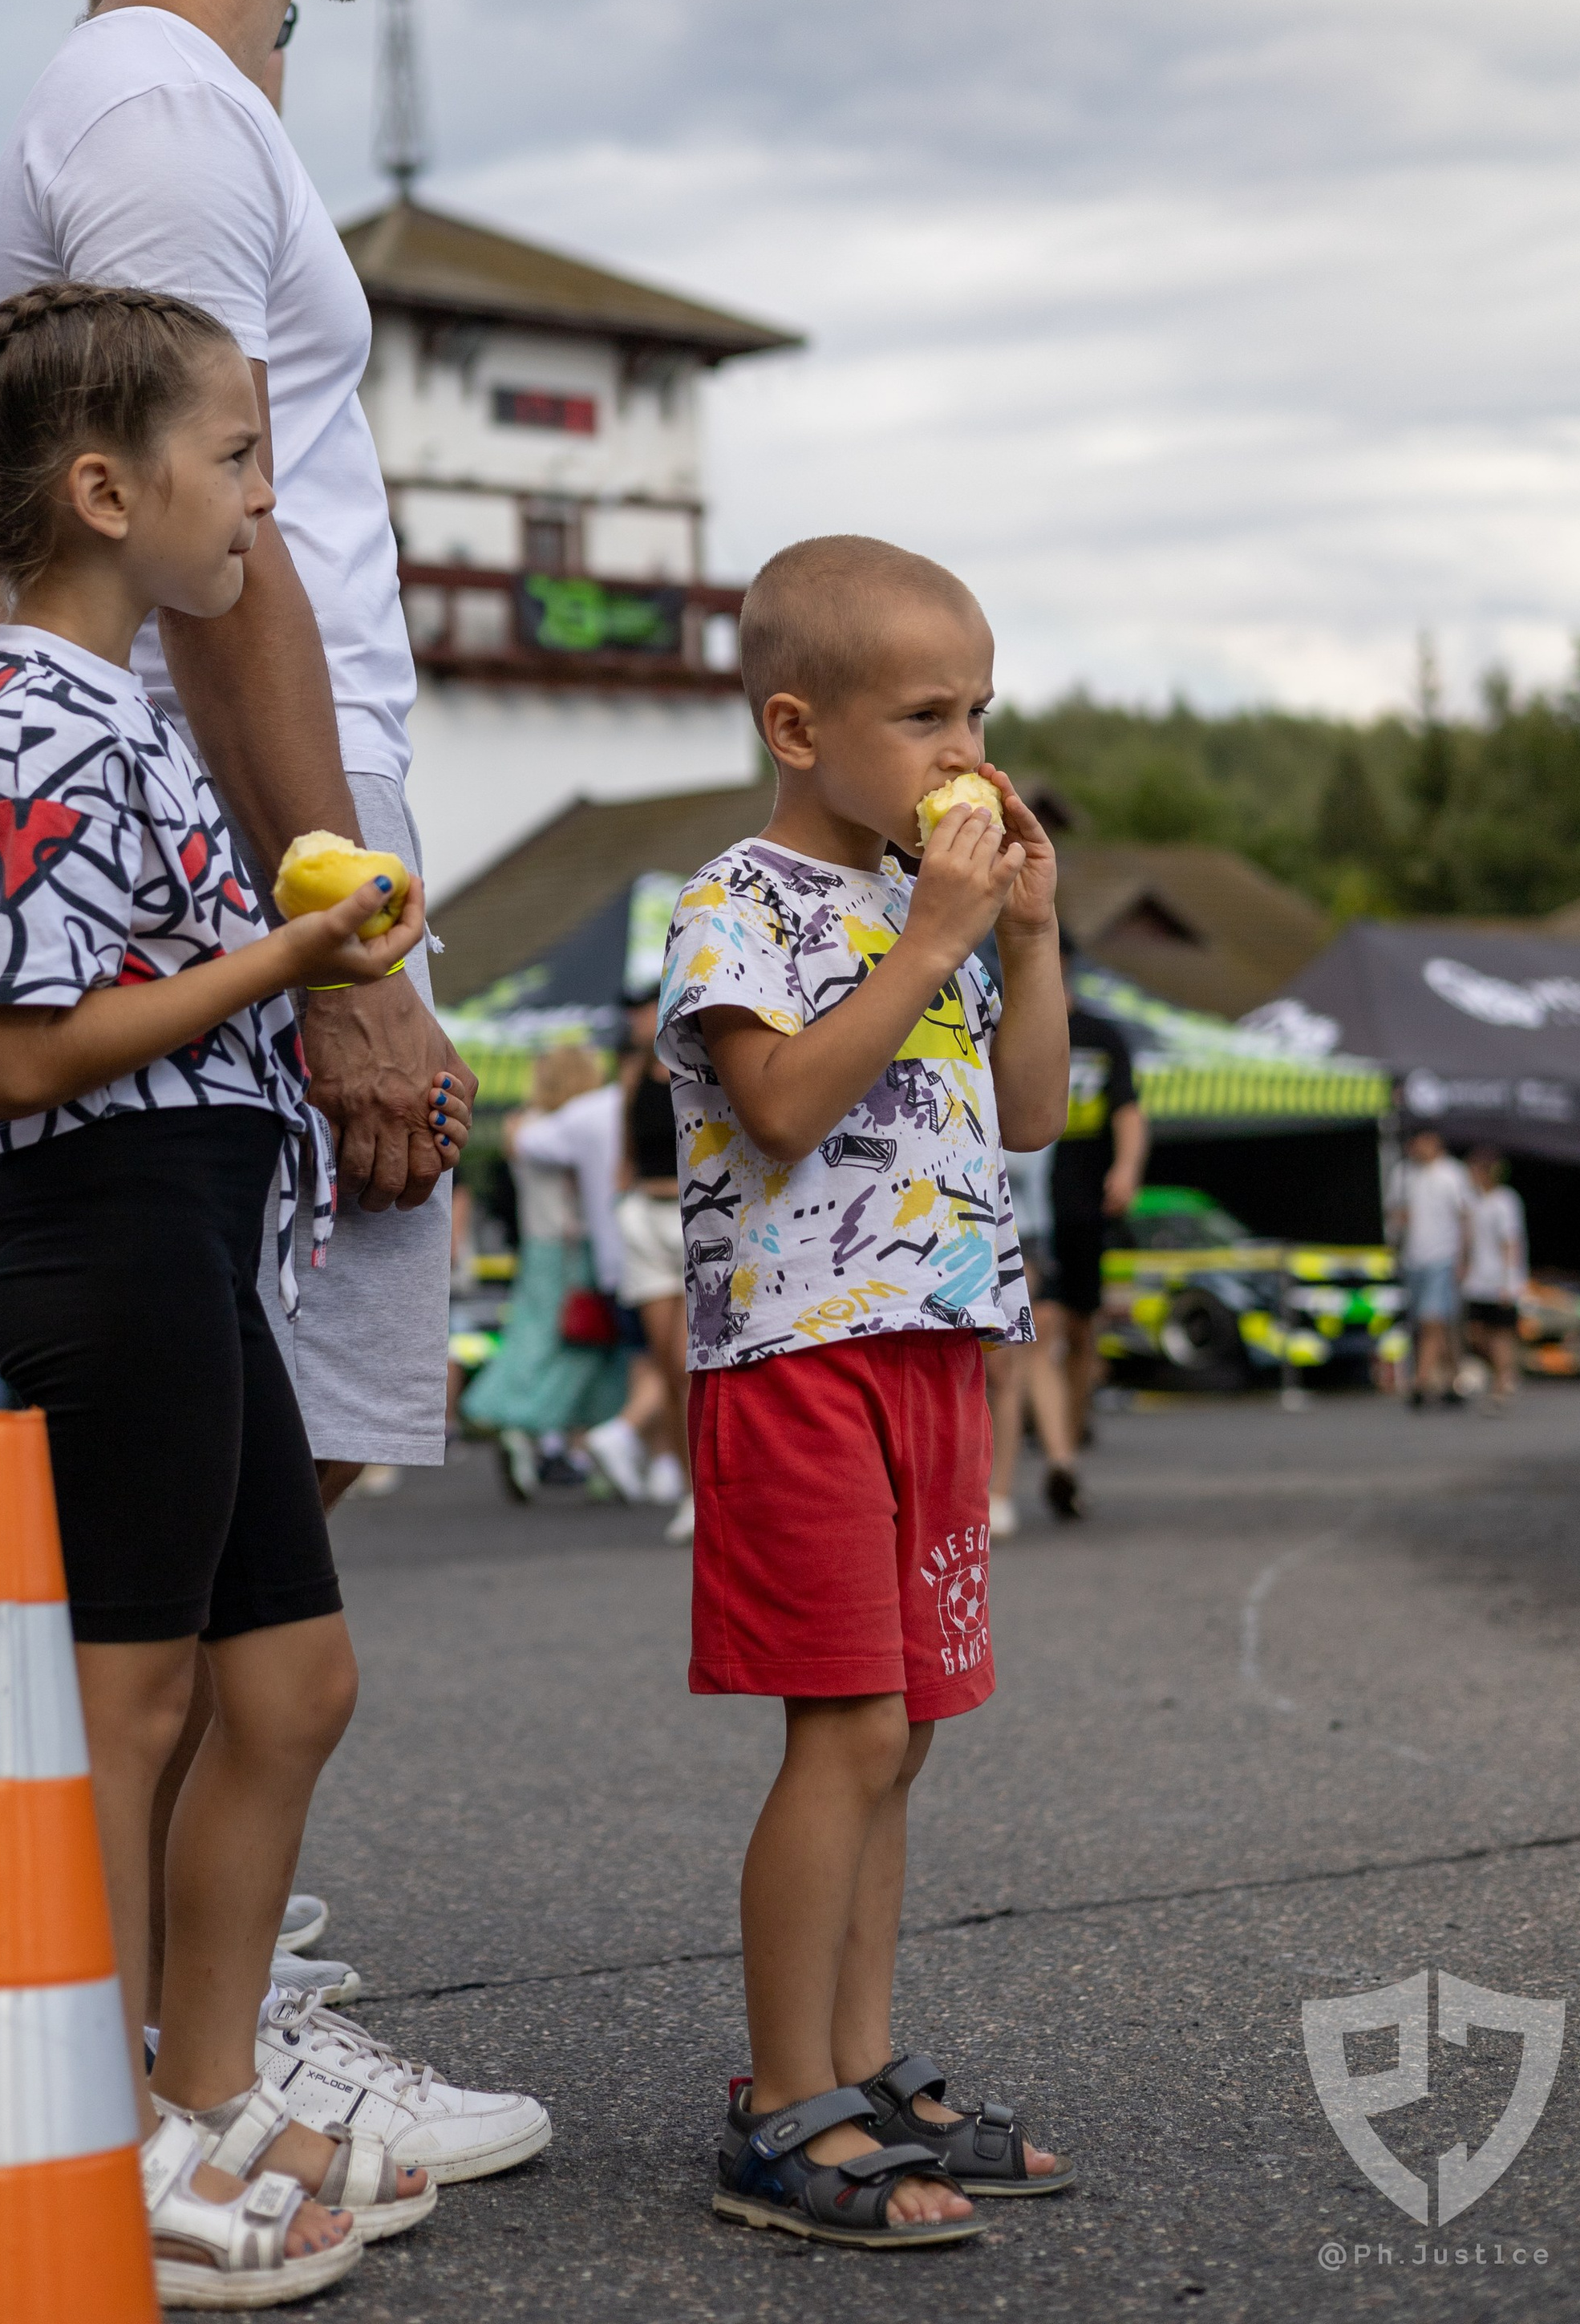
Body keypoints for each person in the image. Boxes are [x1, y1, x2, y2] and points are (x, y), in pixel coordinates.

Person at [0, 277, 456, 2297]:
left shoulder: (119, 710)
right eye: (234, 459)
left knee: (289, 1681)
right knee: (125, 1699)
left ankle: (198, 2085)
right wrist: (290, 976)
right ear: (108, 488)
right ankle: (99, 2129)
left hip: (191, 1223)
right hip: (105, 1225)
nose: (261, 499)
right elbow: (20, 1050)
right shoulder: (26, 716)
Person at [0, 0, 474, 1497]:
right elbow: (205, 548)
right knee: (223, 1548)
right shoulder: (161, 122)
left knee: (261, 1546)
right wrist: (340, 970)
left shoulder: (175, 105)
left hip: (239, 874)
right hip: (239, 886)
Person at [659, 533, 1074, 2245]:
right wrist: (923, 947)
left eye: (977, 708)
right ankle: (781, 2104)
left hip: (931, 1354)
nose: (962, 750)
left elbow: (1032, 1113)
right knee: (838, 1728)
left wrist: (1023, 944)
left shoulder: (945, 915)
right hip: (797, 1360)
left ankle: (862, 2060)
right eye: (921, 714)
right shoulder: (732, 905)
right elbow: (774, 1108)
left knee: (898, 1740)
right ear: (795, 726)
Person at [460, 1045, 631, 1495]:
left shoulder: (523, 1127)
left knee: (533, 1336)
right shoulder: (566, 1129)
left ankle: (539, 1433)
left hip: (536, 1244)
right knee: (579, 1347)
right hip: (572, 1248)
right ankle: (534, 1422)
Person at [586, 994, 695, 1541]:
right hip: (644, 1216)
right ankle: (689, 1486)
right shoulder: (633, 1071)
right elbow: (624, 1152)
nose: (636, 1017)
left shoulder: (700, 1058)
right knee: (669, 1368)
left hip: (693, 1216)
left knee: (686, 1361)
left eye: (645, 1007)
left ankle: (700, 1485)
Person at [1044, 945, 1148, 1500]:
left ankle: (1073, 1422)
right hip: (1033, 1201)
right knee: (1045, 1325)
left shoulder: (1101, 1036)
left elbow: (1129, 1110)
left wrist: (1127, 1170)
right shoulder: (1006, 1023)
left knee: (1082, 1326)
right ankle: (1056, 1441)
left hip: (1087, 1199)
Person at [982, 1141, 1075, 1541]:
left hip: (1019, 1231)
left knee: (1006, 1367)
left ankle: (999, 1492)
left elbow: (1027, 1147)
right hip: (958, 1226)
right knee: (1023, 1363)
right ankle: (1059, 1459)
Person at [1391, 1125, 1473, 1407]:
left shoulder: (1452, 1174)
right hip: (1414, 1259)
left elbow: (1465, 1218)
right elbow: (1396, 1213)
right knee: (1438, 1324)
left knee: (1431, 1319)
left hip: (1443, 1257)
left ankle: (1421, 1380)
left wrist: (1464, 1258)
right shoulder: (1403, 1174)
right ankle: (1453, 1379)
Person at [1460, 1145, 1526, 1415]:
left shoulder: (1505, 1201)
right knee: (1475, 1334)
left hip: (1498, 1280)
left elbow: (1510, 1243)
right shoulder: (1474, 1202)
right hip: (1477, 1280)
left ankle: (1501, 1385)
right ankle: (1506, 1372)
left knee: (1500, 1336)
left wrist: (1510, 1282)